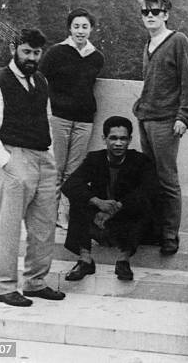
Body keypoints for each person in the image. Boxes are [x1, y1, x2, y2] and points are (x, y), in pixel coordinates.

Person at [0, 29, 65, 306]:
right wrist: (8, 163)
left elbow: (46, 120)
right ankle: (4, 287)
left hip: (43, 159)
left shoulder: (41, 81)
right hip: (14, 157)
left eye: (36, 53)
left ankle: (36, 282)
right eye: (26, 51)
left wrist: (49, 157)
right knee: (10, 227)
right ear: (15, 49)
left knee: (43, 226)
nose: (31, 57)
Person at [133, 0, 188, 255]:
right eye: (145, 12)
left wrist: (184, 116)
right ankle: (154, 229)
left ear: (166, 15)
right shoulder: (146, 46)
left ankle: (170, 234)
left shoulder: (178, 40)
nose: (150, 16)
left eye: (155, 11)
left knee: (168, 179)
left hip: (166, 120)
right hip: (145, 117)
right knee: (150, 178)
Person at [61, 116, 157, 281]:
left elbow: (150, 189)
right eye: (113, 138)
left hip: (125, 220)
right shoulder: (95, 158)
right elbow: (70, 184)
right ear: (104, 139)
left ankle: (123, 260)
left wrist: (117, 207)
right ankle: (85, 259)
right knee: (80, 197)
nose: (118, 143)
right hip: (98, 217)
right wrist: (97, 202)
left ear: (130, 140)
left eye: (123, 138)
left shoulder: (140, 161)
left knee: (144, 201)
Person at [39, 8, 105, 229]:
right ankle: (49, 214)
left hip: (84, 120)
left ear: (91, 29)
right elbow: (39, 80)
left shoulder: (97, 56)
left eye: (85, 27)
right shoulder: (56, 52)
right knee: (56, 168)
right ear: (69, 28)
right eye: (76, 26)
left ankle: (64, 215)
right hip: (59, 118)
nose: (80, 31)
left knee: (74, 171)